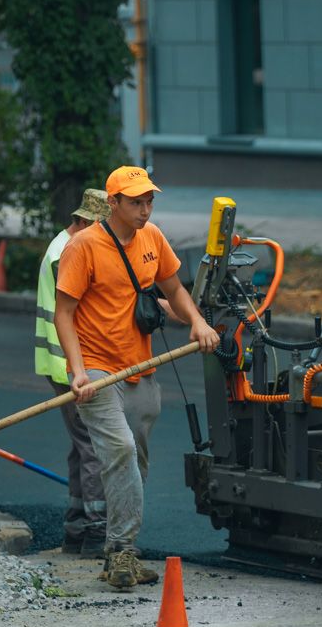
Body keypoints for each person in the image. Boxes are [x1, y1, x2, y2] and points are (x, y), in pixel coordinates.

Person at [54, 165, 220, 590]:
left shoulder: (153, 238)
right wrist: (77, 372)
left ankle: (115, 549)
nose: (145, 210)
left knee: (134, 462)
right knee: (121, 451)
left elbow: (175, 290)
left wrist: (197, 322)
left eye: (149, 201)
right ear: (113, 203)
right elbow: (64, 314)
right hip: (96, 369)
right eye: (135, 202)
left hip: (140, 367)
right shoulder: (84, 247)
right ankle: (123, 551)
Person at [36, 189, 109, 558]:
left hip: (61, 362)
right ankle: (97, 531)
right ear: (83, 222)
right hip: (71, 365)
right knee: (94, 446)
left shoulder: (62, 245)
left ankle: (76, 529)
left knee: (82, 446)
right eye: (99, 227)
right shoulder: (71, 251)